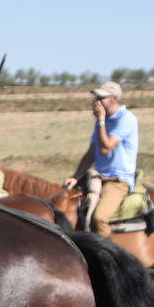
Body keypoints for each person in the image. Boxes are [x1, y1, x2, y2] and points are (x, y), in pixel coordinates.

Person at [64, 81, 138, 236]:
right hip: (98, 177)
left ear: (115, 99)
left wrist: (101, 121)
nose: (96, 102)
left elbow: (106, 147)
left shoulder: (126, 118)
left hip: (118, 181)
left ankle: (108, 257)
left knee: (99, 218)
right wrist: (75, 177)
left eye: (102, 98)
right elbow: (91, 153)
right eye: (96, 97)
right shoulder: (101, 123)